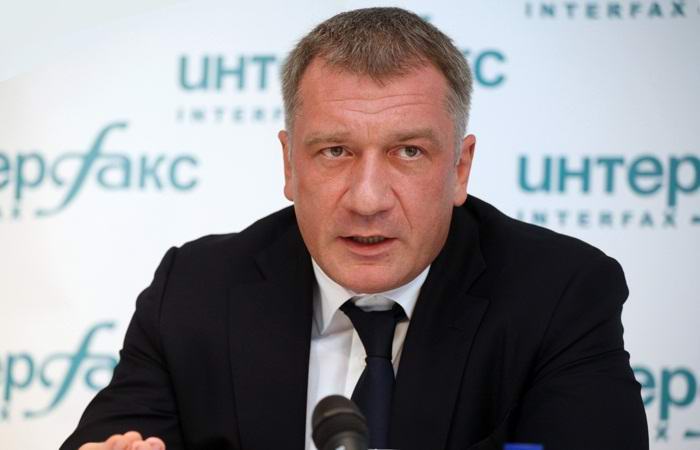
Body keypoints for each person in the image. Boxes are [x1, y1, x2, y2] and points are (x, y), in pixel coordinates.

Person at [62, 7, 648, 450]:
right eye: (335, 151)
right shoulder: (196, 289)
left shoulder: (558, 294)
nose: (368, 200)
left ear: (460, 168)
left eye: (409, 152)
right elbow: (117, 435)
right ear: (289, 165)